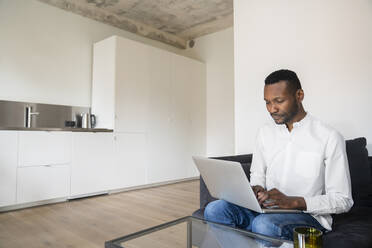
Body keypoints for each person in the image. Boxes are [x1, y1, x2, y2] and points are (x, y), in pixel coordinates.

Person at [204, 69, 353, 242]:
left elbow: (343, 200)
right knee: (214, 210)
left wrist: (294, 202)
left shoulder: (329, 137)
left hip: (308, 216)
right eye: (267, 102)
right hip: (266, 210)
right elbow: (257, 175)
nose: (272, 109)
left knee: (264, 225)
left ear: (299, 95)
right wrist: (256, 189)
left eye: (279, 101)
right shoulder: (264, 133)